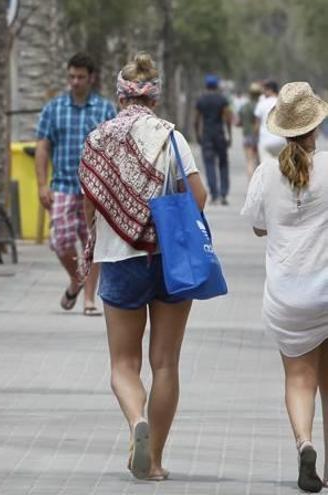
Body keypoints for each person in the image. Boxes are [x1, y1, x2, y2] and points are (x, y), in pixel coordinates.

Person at [79, 53, 208, 481]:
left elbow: (89, 204)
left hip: (119, 258)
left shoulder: (100, 138)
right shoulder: (172, 139)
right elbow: (199, 196)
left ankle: (136, 420)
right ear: (155, 96)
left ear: (119, 95)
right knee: (166, 363)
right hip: (171, 260)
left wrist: (115, 224)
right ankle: (153, 462)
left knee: (123, 364)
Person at [242, 82, 328, 493]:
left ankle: (304, 443)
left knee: (299, 378)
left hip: (285, 296)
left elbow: (259, 227)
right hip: (326, 292)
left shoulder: (265, 174)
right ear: (316, 127)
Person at [35, 52, 116, 316]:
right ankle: (76, 279)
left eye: (81, 77)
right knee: (60, 240)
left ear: (91, 78)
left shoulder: (105, 110)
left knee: (93, 243)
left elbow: (114, 149)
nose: (75, 81)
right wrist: (41, 185)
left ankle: (89, 299)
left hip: (94, 190)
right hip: (62, 186)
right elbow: (43, 147)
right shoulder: (54, 108)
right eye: (71, 76)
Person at [194, 74, 233, 205]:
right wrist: (229, 135)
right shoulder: (222, 99)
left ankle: (214, 194)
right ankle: (223, 193)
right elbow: (227, 118)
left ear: (206, 85)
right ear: (216, 86)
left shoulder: (201, 100)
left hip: (207, 135)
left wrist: (198, 135)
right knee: (223, 164)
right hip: (220, 135)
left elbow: (196, 120)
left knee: (209, 164)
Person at [254, 80, 285, 162]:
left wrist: (256, 138)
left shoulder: (261, 103)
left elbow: (257, 125)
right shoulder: (282, 103)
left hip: (266, 140)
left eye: (264, 90)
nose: (263, 92)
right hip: (281, 140)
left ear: (270, 90)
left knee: (266, 168)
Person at [238, 82, 262, 180]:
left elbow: (239, 122)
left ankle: (251, 184)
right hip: (258, 136)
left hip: (247, 136)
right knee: (259, 162)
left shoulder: (244, 106)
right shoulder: (260, 106)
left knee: (249, 161)